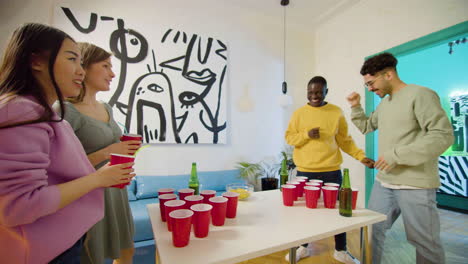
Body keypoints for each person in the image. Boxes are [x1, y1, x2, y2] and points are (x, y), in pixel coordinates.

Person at [0, 23, 135, 264]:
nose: (80, 71)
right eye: (73, 59)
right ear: (36, 61)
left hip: (67, 238)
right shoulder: (20, 111)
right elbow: (19, 205)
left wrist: (109, 171)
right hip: (46, 250)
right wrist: (99, 177)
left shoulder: (46, 113)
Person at [347, 52, 453, 264]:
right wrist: (356, 106)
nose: (370, 88)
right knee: (371, 229)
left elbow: (443, 136)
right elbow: (367, 127)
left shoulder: (421, 95)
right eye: (367, 85)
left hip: (415, 184)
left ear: (388, 75)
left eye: (371, 83)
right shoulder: (384, 104)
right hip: (384, 182)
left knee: (425, 242)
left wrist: (397, 155)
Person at [58, 42, 140, 264]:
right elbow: (58, 168)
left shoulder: (107, 108)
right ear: (84, 67)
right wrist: (107, 152)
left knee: (126, 252)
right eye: (105, 66)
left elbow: (109, 145)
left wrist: (124, 148)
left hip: (116, 193)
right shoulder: (65, 110)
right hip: (87, 195)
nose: (112, 74)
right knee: (91, 257)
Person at [285, 76, 374, 264]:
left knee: (338, 211)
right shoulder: (299, 114)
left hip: (332, 171)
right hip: (305, 172)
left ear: (326, 91)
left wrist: (360, 156)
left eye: (318, 92)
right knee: (305, 213)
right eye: (310, 92)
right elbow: (289, 138)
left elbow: (345, 140)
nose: (314, 96)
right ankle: (303, 246)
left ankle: (340, 250)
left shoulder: (336, 112)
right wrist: (306, 135)